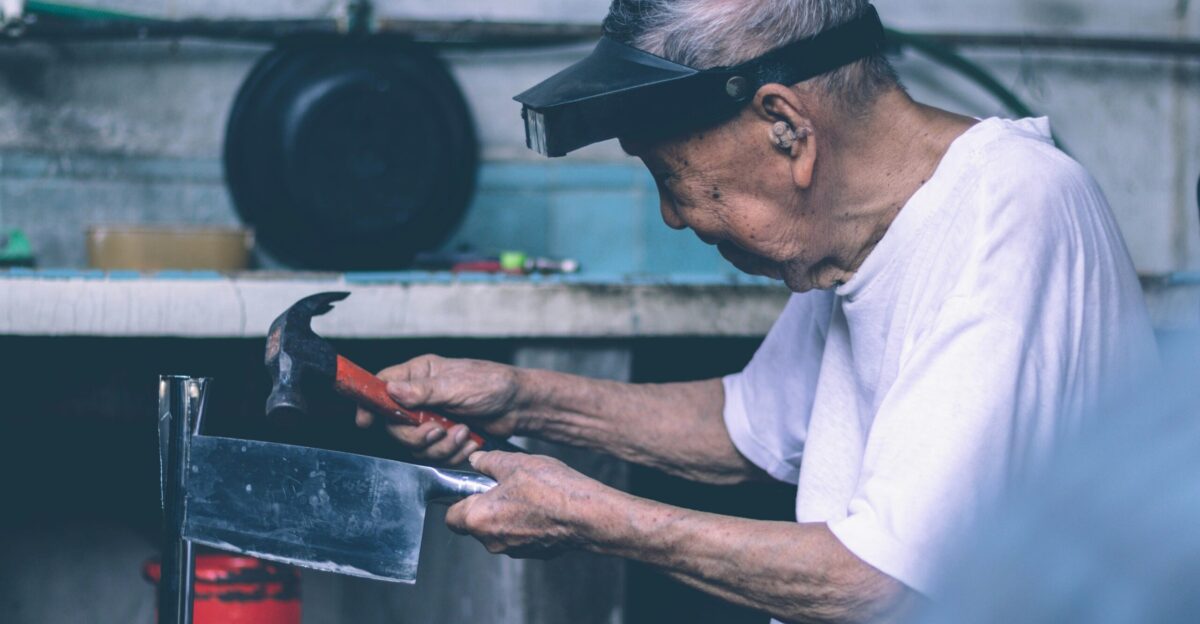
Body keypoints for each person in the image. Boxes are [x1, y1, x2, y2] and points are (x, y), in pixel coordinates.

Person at [356, 1, 1159, 621]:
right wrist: (520, 397)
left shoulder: (1008, 211)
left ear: (785, 128)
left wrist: (594, 517)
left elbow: (886, 587)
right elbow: (745, 430)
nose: (674, 216)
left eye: (673, 176)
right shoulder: (860, 237)